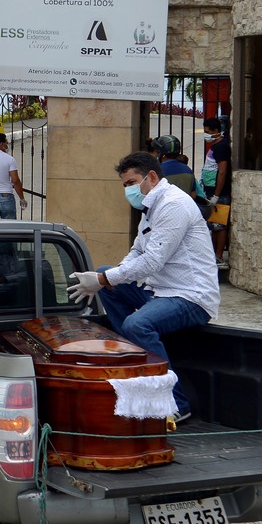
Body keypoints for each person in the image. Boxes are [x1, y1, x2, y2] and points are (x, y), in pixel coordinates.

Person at [67, 152, 220, 421]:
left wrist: (103, 280)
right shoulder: (151, 207)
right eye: (125, 184)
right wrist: (107, 277)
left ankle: (176, 405)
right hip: (160, 290)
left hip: (190, 296)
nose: (128, 189)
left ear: (151, 177)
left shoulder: (173, 205)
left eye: (131, 182)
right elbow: (137, 251)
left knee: (136, 324)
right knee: (107, 274)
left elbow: (152, 260)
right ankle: (133, 357)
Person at [199, 117, 232, 264]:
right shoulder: (215, 147)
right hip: (211, 192)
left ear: (216, 131)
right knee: (213, 225)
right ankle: (213, 255)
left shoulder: (222, 147)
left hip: (219, 194)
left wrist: (217, 195)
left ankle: (218, 256)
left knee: (219, 226)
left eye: (208, 132)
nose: (206, 135)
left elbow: (222, 172)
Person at [152, 134, 211, 216]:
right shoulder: (187, 170)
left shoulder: (157, 171)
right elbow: (193, 195)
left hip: (164, 214)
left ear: (163, 154)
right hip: (185, 214)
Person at [0, 132, 26, 220]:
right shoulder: (9, 159)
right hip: (6, 197)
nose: (7, 146)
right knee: (10, 228)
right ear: (1, 144)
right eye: (6, 143)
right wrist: (22, 198)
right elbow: (15, 181)